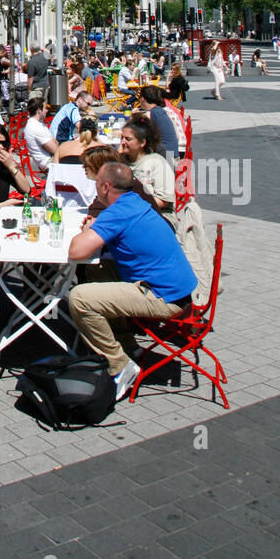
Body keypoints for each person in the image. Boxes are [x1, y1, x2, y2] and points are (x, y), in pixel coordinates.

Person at [68, 160, 198, 400]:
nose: (95, 189)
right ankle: (128, 344)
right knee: (99, 272)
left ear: (106, 187)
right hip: (178, 289)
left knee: (79, 298)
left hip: (163, 297)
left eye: (96, 184)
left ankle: (119, 364)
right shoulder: (136, 201)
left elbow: (76, 251)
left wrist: (88, 228)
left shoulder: (117, 212)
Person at [118, 117, 176, 226]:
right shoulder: (119, 161)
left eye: (128, 139)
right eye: (122, 138)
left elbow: (163, 200)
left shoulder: (157, 163)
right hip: (125, 215)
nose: (122, 142)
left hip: (157, 215)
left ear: (142, 142)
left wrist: (131, 208)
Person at [132, 85, 181, 158]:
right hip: (173, 154)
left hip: (167, 158)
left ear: (142, 99)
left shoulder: (152, 113)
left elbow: (133, 131)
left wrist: (132, 116)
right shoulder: (160, 111)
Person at [24, 97, 59, 173]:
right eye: (45, 108)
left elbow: (54, 142)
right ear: (39, 111)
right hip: (49, 163)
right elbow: (55, 149)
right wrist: (53, 142)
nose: (47, 110)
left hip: (51, 158)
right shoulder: (35, 127)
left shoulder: (39, 123)